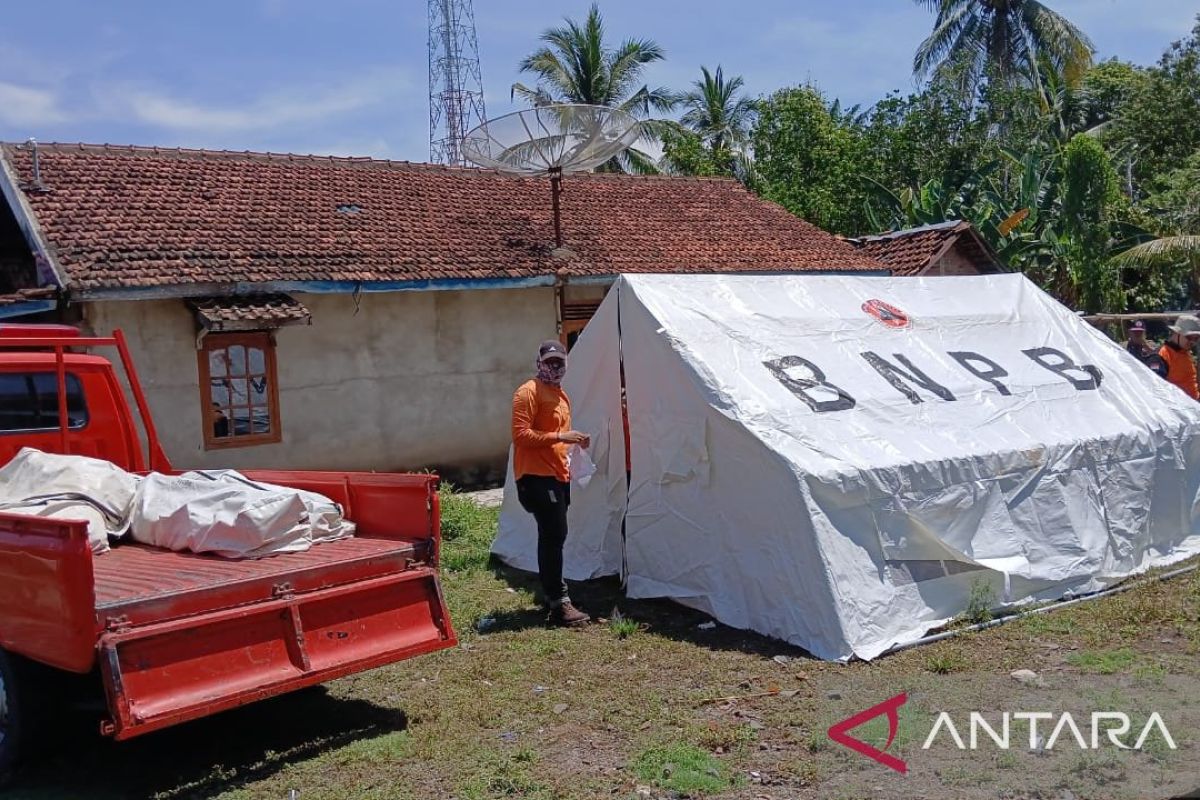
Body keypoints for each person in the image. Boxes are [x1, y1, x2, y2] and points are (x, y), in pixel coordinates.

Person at [511, 340, 591, 627]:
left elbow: (557, 435)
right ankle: (559, 604)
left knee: (554, 536)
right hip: (535, 477)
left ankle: (554, 595)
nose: (555, 367)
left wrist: (576, 441)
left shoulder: (559, 395)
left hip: (557, 474)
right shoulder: (528, 392)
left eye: (559, 362)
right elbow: (520, 436)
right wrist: (560, 437)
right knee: (553, 535)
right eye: (550, 362)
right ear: (539, 363)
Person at [1159, 316, 1200, 399]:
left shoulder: (1185, 352)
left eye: (1196, 338)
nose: (1192, 342)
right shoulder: (1163, 355)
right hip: (1180, 407)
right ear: (1176, 333)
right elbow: (1158, 390)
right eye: (1189, 337)